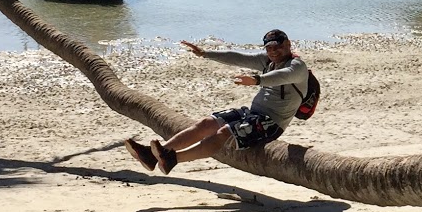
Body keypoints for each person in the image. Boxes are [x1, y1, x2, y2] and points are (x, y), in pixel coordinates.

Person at [125, 29, 310, 175]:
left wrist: (257, 80)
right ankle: (155, 155)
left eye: (277, 47)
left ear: (287, 44)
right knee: (207, 123)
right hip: (252, 113)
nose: (273, 52)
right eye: (269, 48)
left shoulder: (297, 66)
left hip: (272, 123)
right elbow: (237, 57)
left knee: (223, 132)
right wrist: (206, 54)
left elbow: (283, 76)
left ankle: (174, 159)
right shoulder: (267, 61)